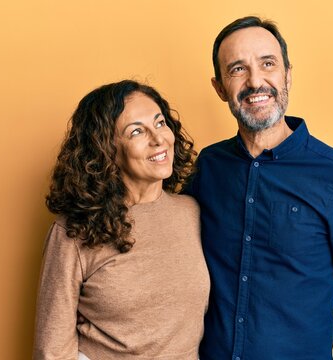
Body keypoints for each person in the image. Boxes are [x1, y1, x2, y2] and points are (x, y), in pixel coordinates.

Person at [184, 16, 333, 359]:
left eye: (268, 64)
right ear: (219, 87)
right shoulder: (209, 167)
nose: (255, 81)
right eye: (237, 69)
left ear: (287, 74)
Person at [33, 80, 210, 360]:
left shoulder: (191, 212)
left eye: (160, 123)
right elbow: (52, 350)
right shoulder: (74, 231)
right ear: (106, 149)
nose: (159, 139)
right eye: (137, 131)